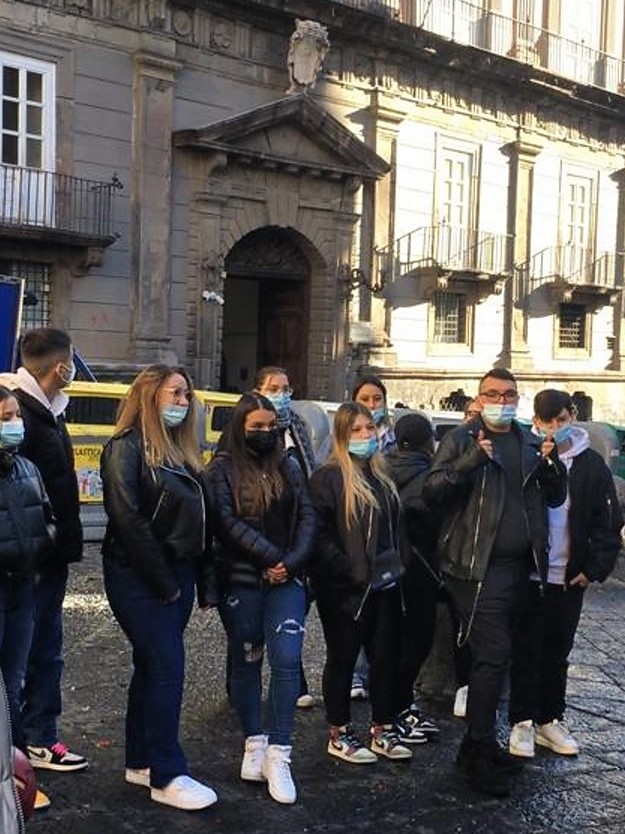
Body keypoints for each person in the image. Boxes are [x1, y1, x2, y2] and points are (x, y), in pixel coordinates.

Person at [423, 368, 567, 797]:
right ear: (480, 397)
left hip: (521, 568)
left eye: (508, 394)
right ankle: (478, 752)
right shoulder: (461, 439)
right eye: (492, 394)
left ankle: (476, 746)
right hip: (475, 568)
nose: (501, 401)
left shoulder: (529, 441)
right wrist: (470, 461)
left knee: (501, 657)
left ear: (518, 399)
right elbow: (433, 491)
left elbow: (555, 496)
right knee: (493, 657)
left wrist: (553, 467)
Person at [100, 364, 217, 811]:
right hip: (139, 575)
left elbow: (201, 522)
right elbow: (127, 519)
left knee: (151, 667)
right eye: (175, 394)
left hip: (175, 573)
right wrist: (165, 584)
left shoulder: (179, 450)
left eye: (187, 395)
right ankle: (167, 773)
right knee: (167, 667)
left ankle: (142, 760)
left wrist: (199, 582)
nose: (183, 402)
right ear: (149, 396)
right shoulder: (126, 447)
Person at [206, 393, 315, 805]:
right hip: (242, 581)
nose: (266, 432)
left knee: (287, 659)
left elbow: (308, 515)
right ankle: (253, 741)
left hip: (287, 579)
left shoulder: (288, 464)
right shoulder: (221, 469)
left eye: (272, 425)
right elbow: (225, 522)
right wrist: (271, 558)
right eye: (257, 426)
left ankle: (279, 752)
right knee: (247, 660)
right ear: (240, 428)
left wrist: (289, 563)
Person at [508, 389, 623, 759]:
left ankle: (550, 718)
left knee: (558, 652)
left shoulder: (591, 464)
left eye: (561, 420)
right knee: (525, 650)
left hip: (570, 574)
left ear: (572, 416)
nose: (554, 427)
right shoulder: (527, 456)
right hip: (531, 573)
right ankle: (522, 720)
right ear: (536, 421)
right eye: (547, 421)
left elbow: (607, 519)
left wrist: (594, 569)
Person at [309, 402, 412, 764]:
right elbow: (319, 535)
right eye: (356, 430)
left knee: (385, 658)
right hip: (345, 589)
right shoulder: (328, 478)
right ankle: (339, 731)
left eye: (369, 428)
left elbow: (395, 529)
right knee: (343, 658)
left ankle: (383, 728)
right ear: (341, 435)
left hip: (385, 583)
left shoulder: (382, 477)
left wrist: (400, 565)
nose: (366, 435)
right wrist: (348, 571)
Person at [5, 329, 87, 774]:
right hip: (31, 561)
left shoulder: (49, 410)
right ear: (61, 367)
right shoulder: (23, 415)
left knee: (44, 650)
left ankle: (37, 737)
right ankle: (24, 748)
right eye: (71, 362)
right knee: (29, 655)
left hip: (47, 557)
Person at [0, 386, 54, 813]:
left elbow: (47, 517)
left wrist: (40, 549)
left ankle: (15, 777)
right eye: (5, 418)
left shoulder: (27, 468)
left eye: (15, 415)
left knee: (12, 683)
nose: (15, 424)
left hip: (22, 590)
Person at [386, 413, 441, 744]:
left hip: (388, 570)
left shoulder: (382, 468)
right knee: (416, 643)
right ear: (428, 441)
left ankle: (397, 707)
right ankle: (399, 709)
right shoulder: (428, 477)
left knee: (392, 644)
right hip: (419, 570)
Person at [348, 374, 395, 701]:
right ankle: (352, 674)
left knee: (380, 620)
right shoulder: (340, 437)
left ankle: (370, 676)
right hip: (352, 543)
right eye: (365, 399)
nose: (371, 405)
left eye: (377, 399)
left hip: (384, 541)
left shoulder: (394, 440)